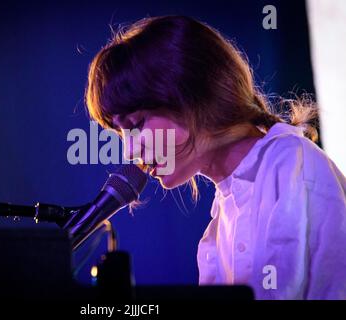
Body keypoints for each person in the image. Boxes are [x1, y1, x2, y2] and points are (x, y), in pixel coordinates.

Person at [84, 15, 346, 299]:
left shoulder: (291, 165)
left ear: (190, 96)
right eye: (122, 134)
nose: (131, 151)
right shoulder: (223, 213)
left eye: (136, 124)